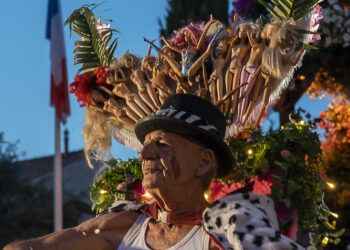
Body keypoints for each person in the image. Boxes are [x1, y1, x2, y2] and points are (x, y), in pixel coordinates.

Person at [5, 94, 304, 250]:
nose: (144, 154)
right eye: (145, 144)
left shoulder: (227, 237)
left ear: (202, 163)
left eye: (162, 144)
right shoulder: (119, 227)